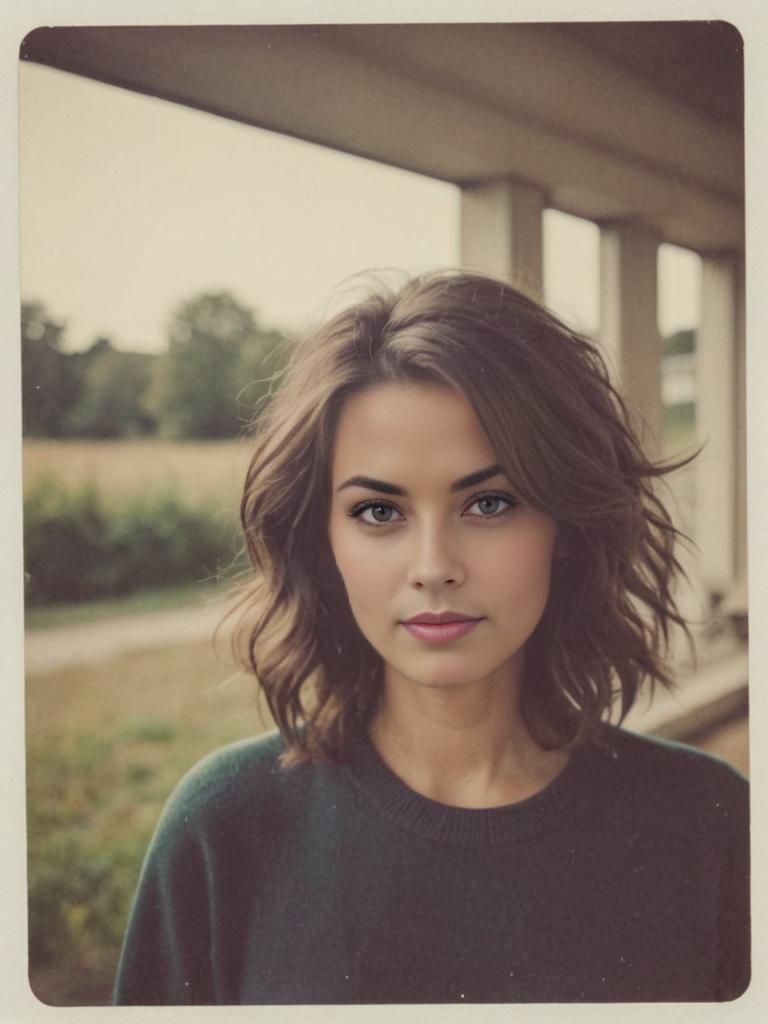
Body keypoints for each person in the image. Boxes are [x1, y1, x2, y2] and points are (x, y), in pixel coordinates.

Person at [113, 270, 749, 1005]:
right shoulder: (224, 826)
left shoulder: (714, 824)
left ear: (567, 527)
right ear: (321, 540)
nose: (434, 568)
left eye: (488, 502)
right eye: (379, 512)